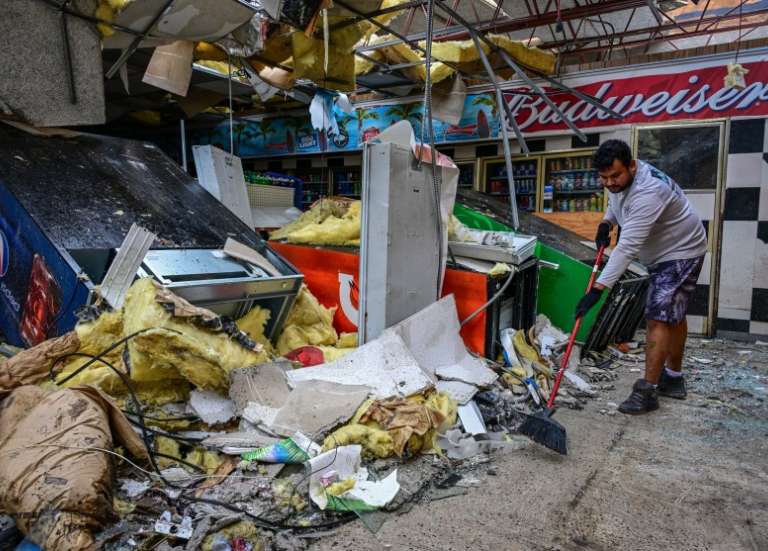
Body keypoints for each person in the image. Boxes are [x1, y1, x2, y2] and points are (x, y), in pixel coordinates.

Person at [575, 140, 707, 415]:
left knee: (658, 317)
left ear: (632, 166)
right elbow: (616, 201)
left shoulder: (649, 192)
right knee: (674, 313)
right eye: (604, 178)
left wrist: (598, 290)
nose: (610, 183)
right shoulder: (622, 181)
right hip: (662, 252)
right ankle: (673, 378)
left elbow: (627, 248)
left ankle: (648, 391)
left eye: (615, 176)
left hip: (680, 252)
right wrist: (606, 222)